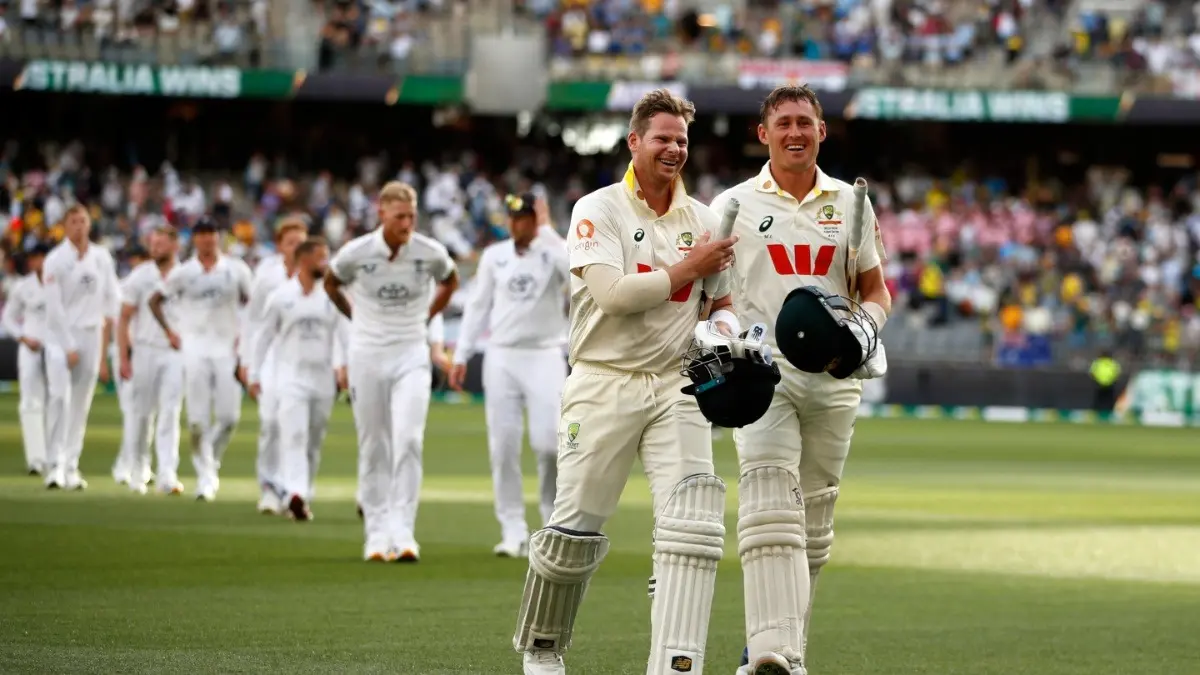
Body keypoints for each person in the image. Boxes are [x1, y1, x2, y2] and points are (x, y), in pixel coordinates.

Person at [512, 88, 739, 675]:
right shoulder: (598, 208)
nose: (674, 149)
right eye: (662, 138)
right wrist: (690, 268)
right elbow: (613, 297)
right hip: (603, 379)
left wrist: (730, 334)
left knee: (692, 525)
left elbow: (721, 303)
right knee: (575, 526)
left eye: (682, 140)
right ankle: (543, 647)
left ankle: (676, 661)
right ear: (634, 141)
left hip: (677, 385)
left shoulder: (706, 219)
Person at [709, 84, 891, 675]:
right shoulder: (732, 203)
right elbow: (712, 294)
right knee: (769, 512)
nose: (795, 132)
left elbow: (875, 291)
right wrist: (725, 344)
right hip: (764, 377)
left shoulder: (852, 202)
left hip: (836, 377)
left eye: (805, 122)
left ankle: (783, 651)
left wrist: (862, 331)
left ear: (822, 131)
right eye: (783, 122)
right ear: (763, 133)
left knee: (812, 527)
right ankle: (765, 651)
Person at [324, 181, 458, 562]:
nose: (407, 223)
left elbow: (451, 281)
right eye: (400, 216)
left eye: (412, 216)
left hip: (411, 354)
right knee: (373, 444)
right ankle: (376, 533)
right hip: (366, 355)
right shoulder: (357, 252)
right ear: (381, 214)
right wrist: (355, 318)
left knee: (409, 439)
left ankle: (404, 532)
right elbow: (331, 283)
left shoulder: (428, 251)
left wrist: (428, 316)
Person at [448, 193, 570, 558]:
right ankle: (512, 528)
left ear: (537, 220)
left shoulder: (552, 250)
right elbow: (477, 305)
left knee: (550, 442)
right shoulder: (493, 256)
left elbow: (576, 272)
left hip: (544, 354)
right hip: (501, 355)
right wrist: (462, 353)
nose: (518, 224)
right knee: (502, 446)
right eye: (514, 218)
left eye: (527, 218)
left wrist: (549, 232)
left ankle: (551, 518)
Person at [147, 218, 253, 502]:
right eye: (202, 235)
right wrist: (171, 331)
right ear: (194, 240)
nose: (207, 240)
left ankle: (211, 463)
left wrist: (247, 338)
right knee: (196, 420)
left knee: (229, 417)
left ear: (218, 238)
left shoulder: (236, 270)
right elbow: (155, 300)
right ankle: (205, 476)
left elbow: (253, 305)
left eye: (211, 235)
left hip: (227, 350)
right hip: (194, 350)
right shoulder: (184, 273)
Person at [249, 238, 349, 521]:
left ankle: (304, 491)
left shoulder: (332, 295)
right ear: (303, 260)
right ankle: (296, 493)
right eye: (320, 257)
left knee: (313, 440)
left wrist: (344, 367)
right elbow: (264, 336)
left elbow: (344, 334)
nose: (325, 263)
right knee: (294, 435)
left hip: (323, 379)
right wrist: (255, 372)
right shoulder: (281, 296)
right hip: (290, 377)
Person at [41, 205, 121, 490]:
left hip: (92, 333)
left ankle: (72, 465)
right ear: (65, 225)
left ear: (89, 224)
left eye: (83, 221)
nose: (79, 226)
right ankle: (54, 465)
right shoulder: (55, 260)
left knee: (81, 403)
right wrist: (68, 345)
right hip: (59, 337)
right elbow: (53, 308)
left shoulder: (101, 257)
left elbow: (112, 299)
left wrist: (106, 344)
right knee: (59, 398)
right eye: (73, 221)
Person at [241, 217, 309, 515]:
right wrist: (247, 362)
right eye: (290, 242)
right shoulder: (267, 277)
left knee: (295, 427)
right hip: (270, 358)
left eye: (300, 242)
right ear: (280, 246)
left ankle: (293, 488)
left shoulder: (315, 276)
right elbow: (252, 321)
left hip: (303, 362)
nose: (296, 248)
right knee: (270, 422)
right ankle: (269, 486)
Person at [116, 227, 186, 496]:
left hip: (175, 352)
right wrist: (124, 356)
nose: (155, 248)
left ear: (174, 245)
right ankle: (139, 469)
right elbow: (124, 318)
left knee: (170, 411)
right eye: (152, 244)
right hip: (144, 349)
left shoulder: (184, 275)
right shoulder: (140, 276)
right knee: (141, 413)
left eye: (161, 243)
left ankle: (167, 474)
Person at [1, 243, 73, 478]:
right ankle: (36, 459)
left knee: (58, 398)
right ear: (30, 262)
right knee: (31, 402)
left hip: (56, 346)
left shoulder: (61, 285)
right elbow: (8, 318)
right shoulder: (23, 287)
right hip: (30, 347)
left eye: (42, 257)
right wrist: (23, 337)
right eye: (34, 258)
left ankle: (55, 456)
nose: (38, 262)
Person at [110, 245, 150, 490]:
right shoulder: (123, 288)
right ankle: (126, 465)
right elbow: (117, 322)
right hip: (126, 353)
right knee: (132, 411)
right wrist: (124, 354)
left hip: (147, 353)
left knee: (146, 413)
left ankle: (139, 464)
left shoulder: (153, 286)